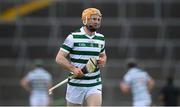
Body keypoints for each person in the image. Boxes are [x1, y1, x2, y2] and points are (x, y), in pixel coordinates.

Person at [55, 7, 107, 106]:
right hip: (76, 84)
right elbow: (59, 58)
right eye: (94, 19)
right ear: (85, 20)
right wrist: (73, 69)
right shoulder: (73, 37)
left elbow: (103, 55)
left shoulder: (101, 38)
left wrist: (103, 60)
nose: (97, 22)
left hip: (94, 83)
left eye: (98, 19)